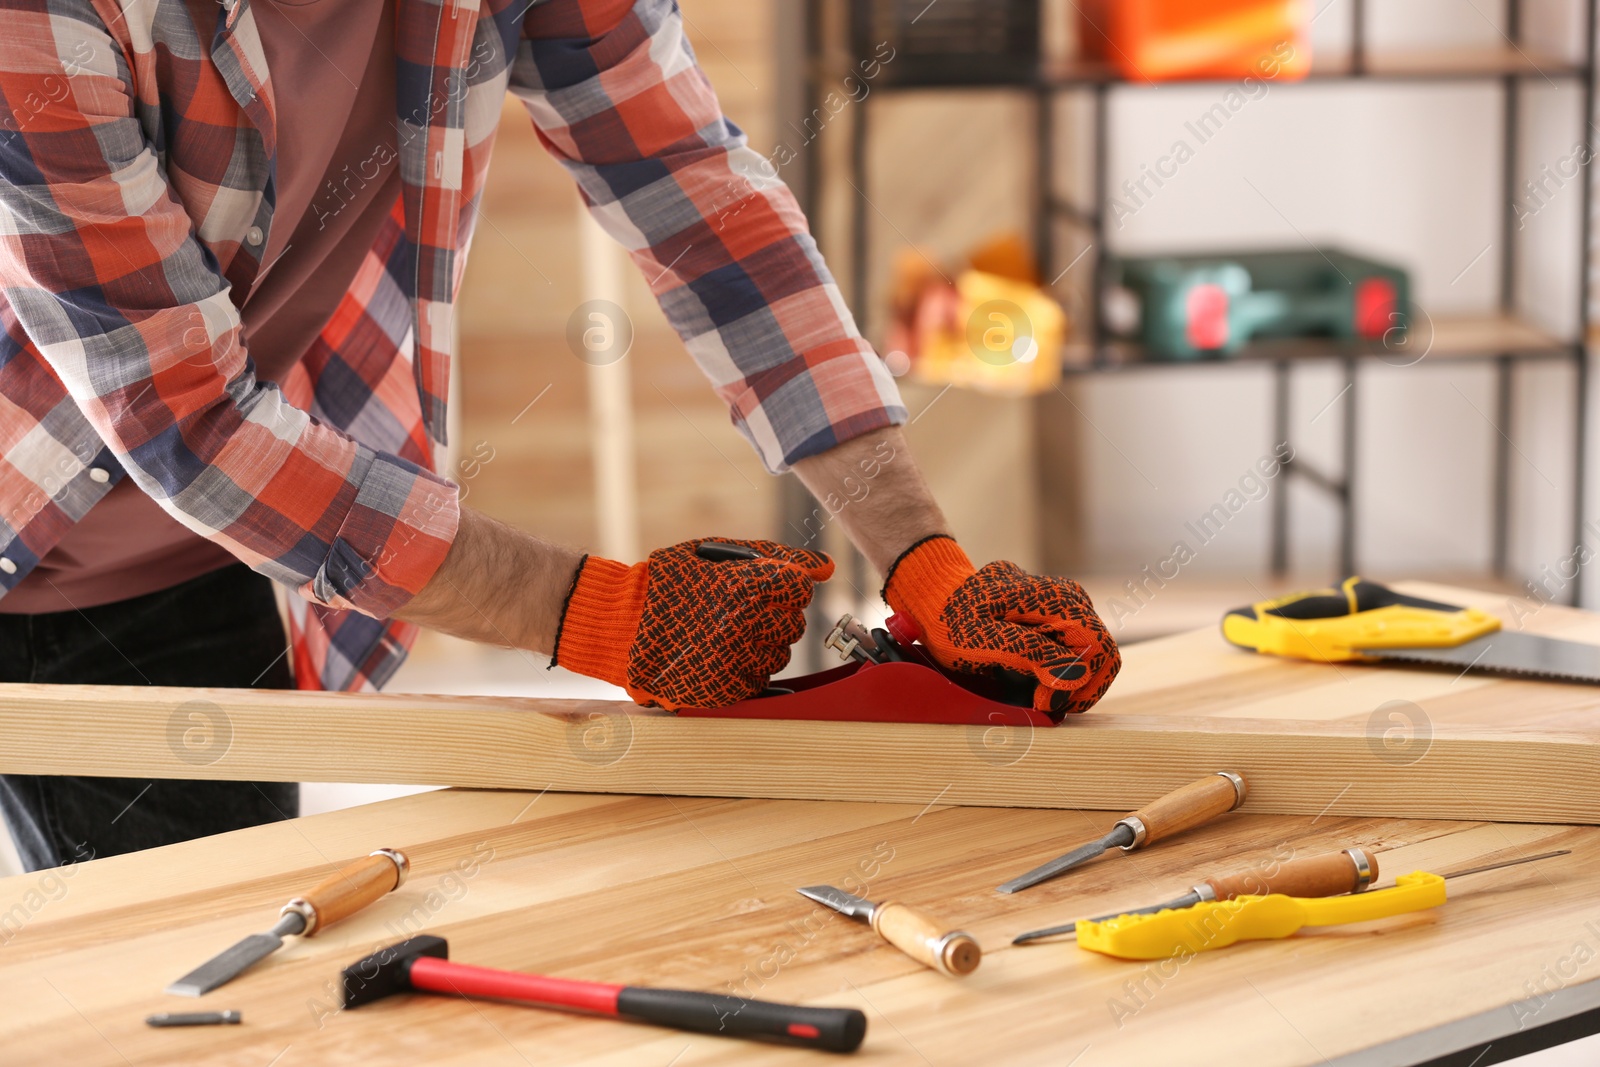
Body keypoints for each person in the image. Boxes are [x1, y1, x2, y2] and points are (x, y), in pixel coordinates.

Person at [0, 0, 1119, 872]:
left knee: (206, 991)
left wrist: (924, 557)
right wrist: (596, 613)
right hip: (38, 511)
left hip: (186, 555)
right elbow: (186, 419)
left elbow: (700, 197)